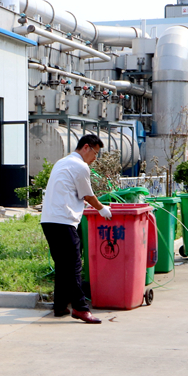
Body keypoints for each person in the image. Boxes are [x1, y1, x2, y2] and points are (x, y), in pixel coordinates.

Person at [40, 134, 112, 324]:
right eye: (95, 153)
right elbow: (88, 195)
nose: (95, 158)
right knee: (73, 265)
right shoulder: (80, 166)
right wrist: (102, 209)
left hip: (48, 220)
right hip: (63, 221)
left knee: (63, 265)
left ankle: (60, 305)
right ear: (86, 147)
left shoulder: (62, 162)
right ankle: (80, 308)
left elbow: (69, 191)